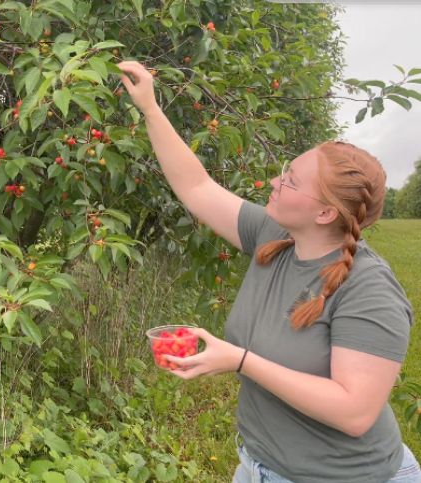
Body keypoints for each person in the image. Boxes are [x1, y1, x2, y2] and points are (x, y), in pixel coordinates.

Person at [116, 60, 419, 483]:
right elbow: (197, 187)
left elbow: (355, 412)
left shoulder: (368, 289)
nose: (274, 183)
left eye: (291, 181)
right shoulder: (273, 237)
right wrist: (150, 107)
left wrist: (240, 360)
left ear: (326, 212)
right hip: (260, 467)